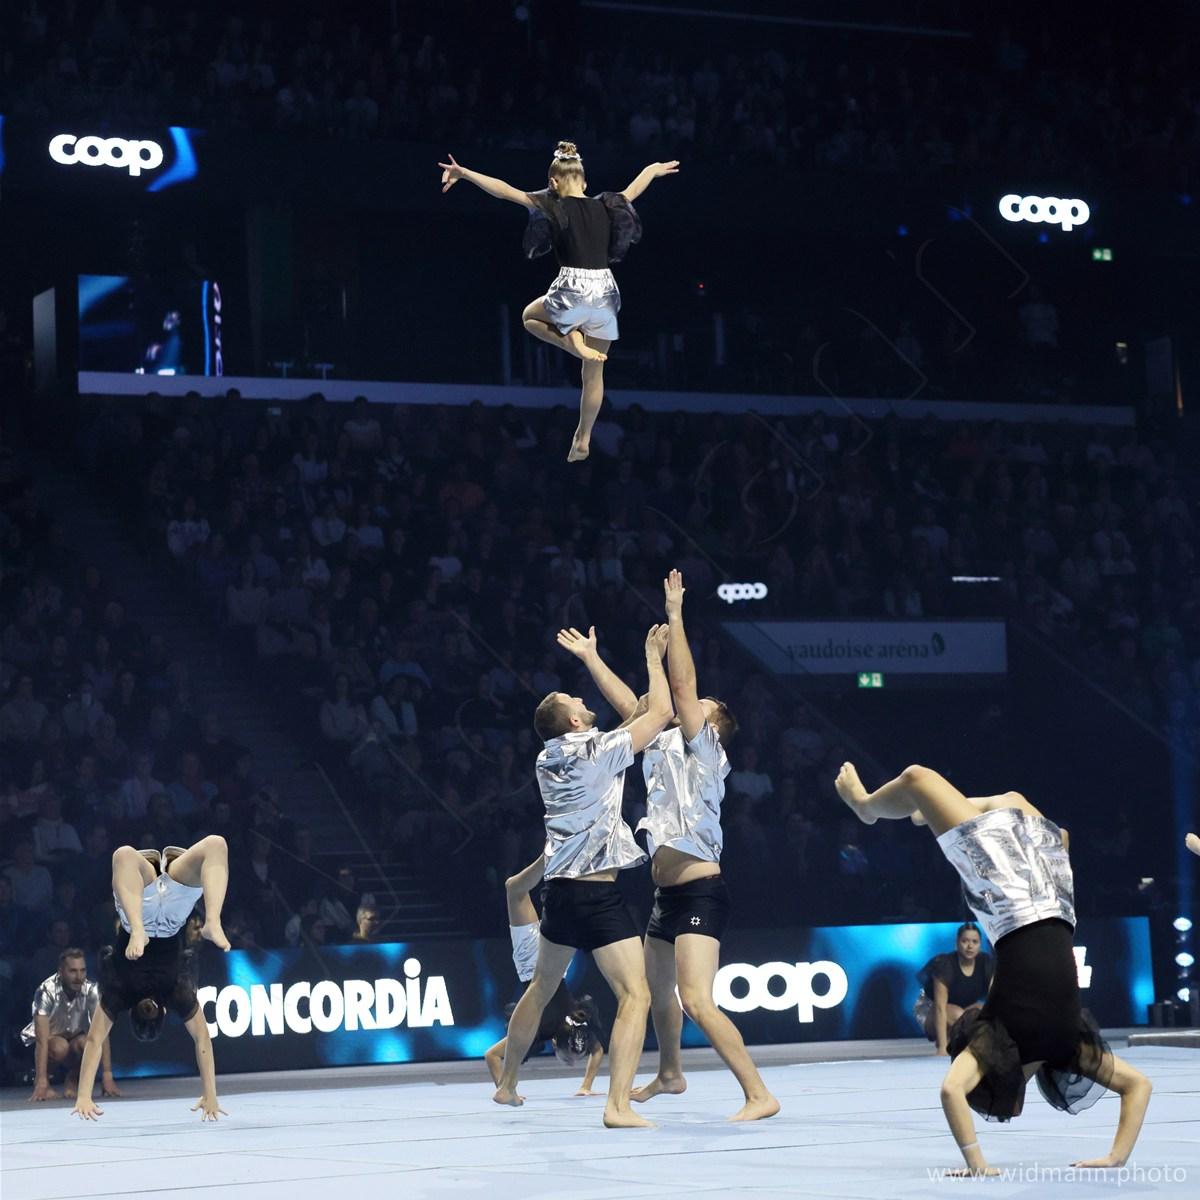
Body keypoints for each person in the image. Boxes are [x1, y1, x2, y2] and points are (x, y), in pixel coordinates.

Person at [835, 762, 1152, 1176]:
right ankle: (933, 809)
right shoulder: (1066, 1047)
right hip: (1054, 904)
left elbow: (951, 1090)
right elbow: (1139, 1086)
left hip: (1011, 903)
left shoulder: (1003, 1038)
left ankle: (866, 807)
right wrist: (1116, 1156)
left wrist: (977, 1164)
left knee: (918, 778)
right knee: (1021, 808)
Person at [558, 570, 778, 1121]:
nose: (690, 704)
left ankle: (759, 1094)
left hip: (701, 892)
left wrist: (676, 616)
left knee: (696, 1000)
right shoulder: (664, 744)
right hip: (665, 898)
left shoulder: (706, 750)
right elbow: (634, 707)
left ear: (713, 725)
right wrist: (592, 659)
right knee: (658, 995)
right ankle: (671, 1073)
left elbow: (680, 688)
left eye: (702, 704)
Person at [493, 625, 674, 1129]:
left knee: (540, 988)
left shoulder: (549, 757)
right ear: (574, 721)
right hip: (596, 896)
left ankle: (507, 1084)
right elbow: (657, 712)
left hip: (558, 894)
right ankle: (617, 1106)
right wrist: (652, 657)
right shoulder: (594, 752)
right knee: (635, 995)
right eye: (576, 700)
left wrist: (592, 658)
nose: (583, 699)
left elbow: (633, 719)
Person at [438, 140, 678, 462]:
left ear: (553, 182)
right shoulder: (607, 204)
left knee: (529, 317)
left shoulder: (552, 204)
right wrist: (653, 169)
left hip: (573, 286)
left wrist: (465, 173)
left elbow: (504, 191)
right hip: (607, 291)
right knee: (593, 374)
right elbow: (634, 188)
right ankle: (584, 438)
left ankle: (572, 344)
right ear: (585, 183)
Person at [70, 837, 232, 1121]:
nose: (149, 1011)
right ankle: (213, 921)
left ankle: (137, 930)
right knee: (216, 845)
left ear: (134, 1013)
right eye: (152, 1017)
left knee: (123, 854)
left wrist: (84, 1095)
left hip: (139, 911)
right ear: (162, 1013)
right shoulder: (175, 992)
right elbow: (202, 1039)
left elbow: (94, 1041)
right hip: (173, 918)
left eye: (142, 1017)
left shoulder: (120, 992)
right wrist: (211, 1094)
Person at [484, 854, 606, 1096]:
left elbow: (598, 1050)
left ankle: (559, 855)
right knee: (514, 889)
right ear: (556, 1045)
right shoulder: (534, 1032)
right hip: (532, 963)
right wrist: (505, 1088)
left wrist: (586, 1085)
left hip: (557, 962)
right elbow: (491, 1056)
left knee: (562, 892)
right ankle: (551, 854)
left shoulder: (576, 1016)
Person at [23, 948, 119, 1103]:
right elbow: (41, 1041)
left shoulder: (92, 991)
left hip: (75, 1039)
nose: (79, 977)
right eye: (73, 971)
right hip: (49, 1042)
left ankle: (73, 1078)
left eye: (82, 970)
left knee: (87, 1043)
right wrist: (41, 1082)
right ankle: (44, 1080)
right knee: (60, 1047)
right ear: (61, 972)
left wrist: (107, 1075)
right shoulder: (45, 991)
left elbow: (102, 1034)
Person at [915, 923, 993, 1056]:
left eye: (974, 942)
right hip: (931, 1008)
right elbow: (940, 1007)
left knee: (981, 1011)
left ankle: (964, 1044)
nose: (970, 946)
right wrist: (942, 1047)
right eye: (965, 941)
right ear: (957, 943)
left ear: (980, 945)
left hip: (963, 1009)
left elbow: (994, 1002)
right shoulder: (945, 965)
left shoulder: (986, 963)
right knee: (958, 1015)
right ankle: (946, 1040)